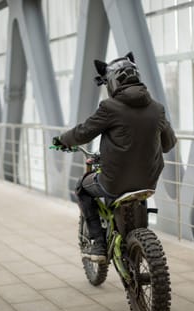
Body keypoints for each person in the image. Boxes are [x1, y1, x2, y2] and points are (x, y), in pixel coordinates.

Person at [53, 52, 177, 262]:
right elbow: (168, 144)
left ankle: (99, 244)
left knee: (83, 189)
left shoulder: (109, 108)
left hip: (114, 180)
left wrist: (62, 140)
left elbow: (84, 132)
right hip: (148, 181)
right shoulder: (157, 108)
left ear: (111, 82)